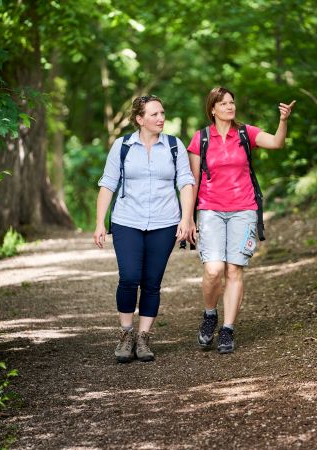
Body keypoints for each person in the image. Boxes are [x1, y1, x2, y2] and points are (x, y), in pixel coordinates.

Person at [187, 86, 295, 354]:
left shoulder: (247, 133)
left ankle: (228, 329)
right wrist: (188, 218)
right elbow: (193, 181)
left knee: (234, 270)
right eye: (223, 104)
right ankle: (210, 315)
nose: (229, 107)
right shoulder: (200, 138)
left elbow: (277, 143)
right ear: (212, 109)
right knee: (213, 270)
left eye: (232, 102)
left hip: (243, 209)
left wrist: (283, 121)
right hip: (210, 209)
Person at [93, 95, 196, 363]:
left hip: (165, 222)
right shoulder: (122, 146)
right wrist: (99, 222)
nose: (160, 118)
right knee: (129, 278)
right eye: (154, 114)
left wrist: (187, 219)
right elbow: (108, 183)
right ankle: (126, 334)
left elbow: (186, 182)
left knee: (152, 282)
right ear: (140, 119)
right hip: (127, 220)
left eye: (162, 113)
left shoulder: (174, 146)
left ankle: (143, 337)